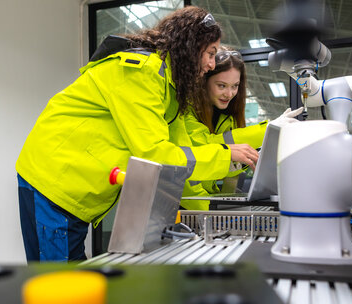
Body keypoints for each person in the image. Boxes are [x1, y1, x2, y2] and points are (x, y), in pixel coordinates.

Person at [16, 7, 260, 262]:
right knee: (58, 284)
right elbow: (156, 154)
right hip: (54, 179)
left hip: (76, 184)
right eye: (210, 53)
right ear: (190, 46)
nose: (212, 64)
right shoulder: (141, 72)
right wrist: (224, 155)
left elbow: (183, 159)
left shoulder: (170, 87)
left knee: (71, 277)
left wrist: (210, 220)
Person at [178, 47, 303, 210]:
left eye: (235, 86)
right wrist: (267, 130)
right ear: (204, 82)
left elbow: (223, 165)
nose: (229, 94)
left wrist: (244, 160)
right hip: (183, 204)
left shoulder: (227, 117)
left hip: (205, 202)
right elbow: (203, 146)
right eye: (221, 85)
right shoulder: (185, 109)